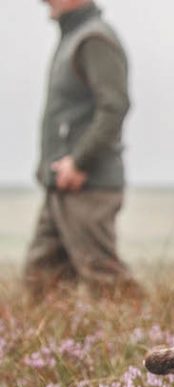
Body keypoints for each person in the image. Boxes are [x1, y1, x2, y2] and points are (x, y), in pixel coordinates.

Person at [24, 0, 143, 302]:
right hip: (61, 184)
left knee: (105, 279)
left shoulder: (94, 39)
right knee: (41, 278)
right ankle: (42, 348)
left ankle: (155, 342)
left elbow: (114, 106)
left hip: (85, 183)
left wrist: (79, 161)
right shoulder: (74, 37)